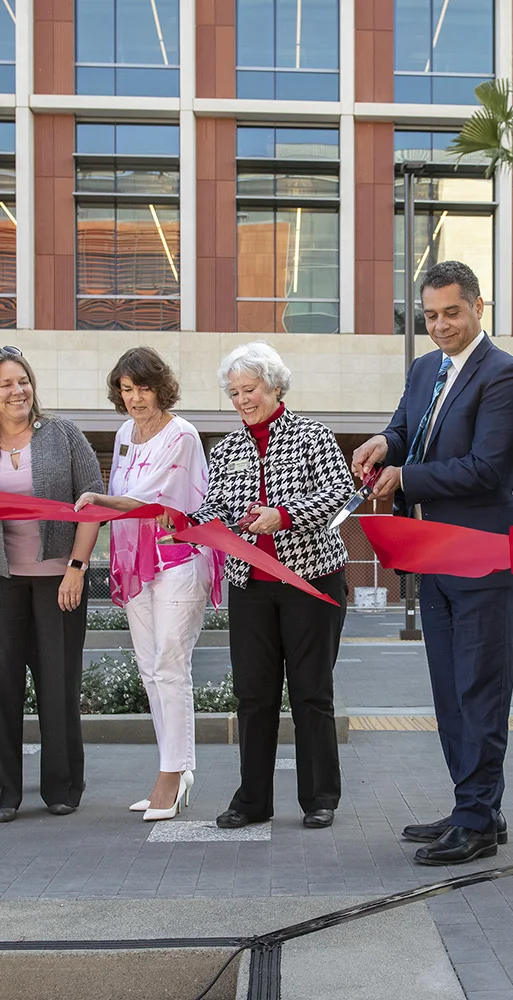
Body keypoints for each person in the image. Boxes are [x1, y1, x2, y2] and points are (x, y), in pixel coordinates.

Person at [350, 261, 513, 865]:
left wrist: (407, 476)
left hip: (482, 558)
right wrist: (384, 444)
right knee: (450, 693)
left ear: (479, 307)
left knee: (481, 690)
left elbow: (487, 468)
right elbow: (407, 430)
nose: (440, 326)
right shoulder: (426, 368)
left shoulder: (506, 376)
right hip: (433, 558)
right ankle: (474, 806)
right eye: (429, 315)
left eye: (451, 312)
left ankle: (477, 819)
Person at [164, 343, 353, 831]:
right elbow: (217, 511)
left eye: (249, 389)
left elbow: (338, 495)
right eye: (234, 392)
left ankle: (319, 798)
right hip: (249, 584)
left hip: (312, 582)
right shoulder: (226, 449)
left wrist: (284, 516)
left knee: (312, 692)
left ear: (275, 386)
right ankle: (253, 800)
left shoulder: (313, 436)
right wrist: (184, 523)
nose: (242, 400)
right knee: (253, 695)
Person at [0, 347, 104, 823]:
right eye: (6, 385)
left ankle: (62, 788)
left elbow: (91, 504)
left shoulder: (63, 434)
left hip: (59, 579)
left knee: (59, 683)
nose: (17, 391)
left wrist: (77, 569)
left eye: (22, 381)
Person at [75, 347, 218, 821]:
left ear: (162, 386)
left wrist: (98, 499)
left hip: (179, 558)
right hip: (135, 560)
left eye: (143, 387)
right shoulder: (123, 434)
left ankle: (171, 776)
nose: (135, 398)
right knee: (150, 669)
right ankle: (176, 768)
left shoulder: (183, 434)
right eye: (126, 388)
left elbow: (146, 498)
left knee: (170, 665)